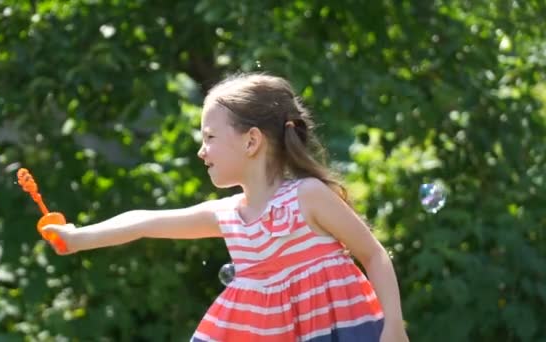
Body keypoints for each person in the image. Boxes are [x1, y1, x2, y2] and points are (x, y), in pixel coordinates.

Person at [43, 72, 409, 342]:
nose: (201, 151)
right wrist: (77, 238)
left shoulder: (307, 196)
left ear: (251, 141)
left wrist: (393, 326)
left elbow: (372, 254)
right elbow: (145, 221)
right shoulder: (230, 216)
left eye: (210, 137)